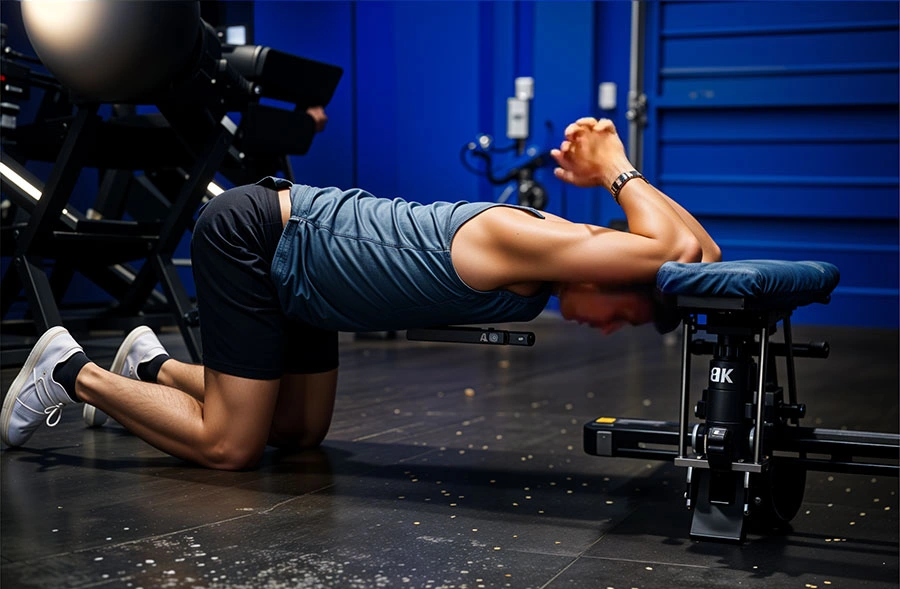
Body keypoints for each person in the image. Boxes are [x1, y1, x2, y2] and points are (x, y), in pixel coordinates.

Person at [1, 118, 720, 469]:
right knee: (231, 445)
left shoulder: (569, 258)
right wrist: (618, 166)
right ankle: (70, 370)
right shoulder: (538, 241)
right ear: (608, 268)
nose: (603, 330)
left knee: (298, 433)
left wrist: (626, 183)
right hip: (263, 239)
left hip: (314, 285)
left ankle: (149, 368)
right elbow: (667, 248)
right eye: (619, 318)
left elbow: (701, 253)